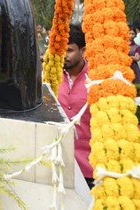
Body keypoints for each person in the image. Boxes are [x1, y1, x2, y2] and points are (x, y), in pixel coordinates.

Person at [57, 24, 93, 188]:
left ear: (83, 51)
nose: (64, 55)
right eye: (61, 49)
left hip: (90, 168)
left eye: (69, 50)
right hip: (59, 164)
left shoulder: (97, 78)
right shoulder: (51, 75)